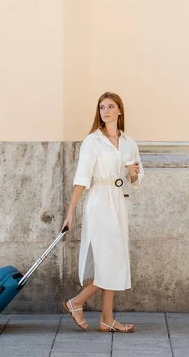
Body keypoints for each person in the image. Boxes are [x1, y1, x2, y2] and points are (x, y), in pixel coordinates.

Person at [61, 92, 144, 333]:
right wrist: (70, 213)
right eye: (101, 107)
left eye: (110, 107)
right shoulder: (92, 141)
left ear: (120, 110)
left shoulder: (129, 142)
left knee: (115, 260)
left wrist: (132, 172)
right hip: (98, 202)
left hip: (117, 201)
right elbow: (82, 178)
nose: (105, 111)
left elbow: (136, 179)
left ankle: (107, 318)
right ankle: (77, 302)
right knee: (110, 260)